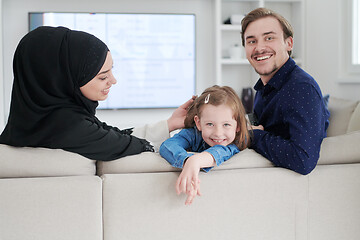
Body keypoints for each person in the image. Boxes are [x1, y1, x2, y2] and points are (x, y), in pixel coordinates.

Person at [0, 26, 194, 160]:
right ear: (64, 78)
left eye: (111, 71)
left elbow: (111, 135)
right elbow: (127, 144)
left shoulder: (35, 125)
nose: (113, 80)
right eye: (103, 76)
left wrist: (170, 124)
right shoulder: (69, 128)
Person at [241, 8, 330, 175]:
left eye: (269, 38)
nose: (259, 48)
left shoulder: (301, 88)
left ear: (289, 43)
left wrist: (253, 136)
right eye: (251, 41)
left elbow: (303, 160)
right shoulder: (264, 87)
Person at [160, 85, 250, 205]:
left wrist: (196, 161)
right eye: (210, 124)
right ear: (198, 123)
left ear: (238, 125)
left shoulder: (237, 142)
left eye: (226, 125)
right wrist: (186, 160)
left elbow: (221, 151)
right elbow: (168, 145)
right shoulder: (193, 134)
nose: (218, 133)